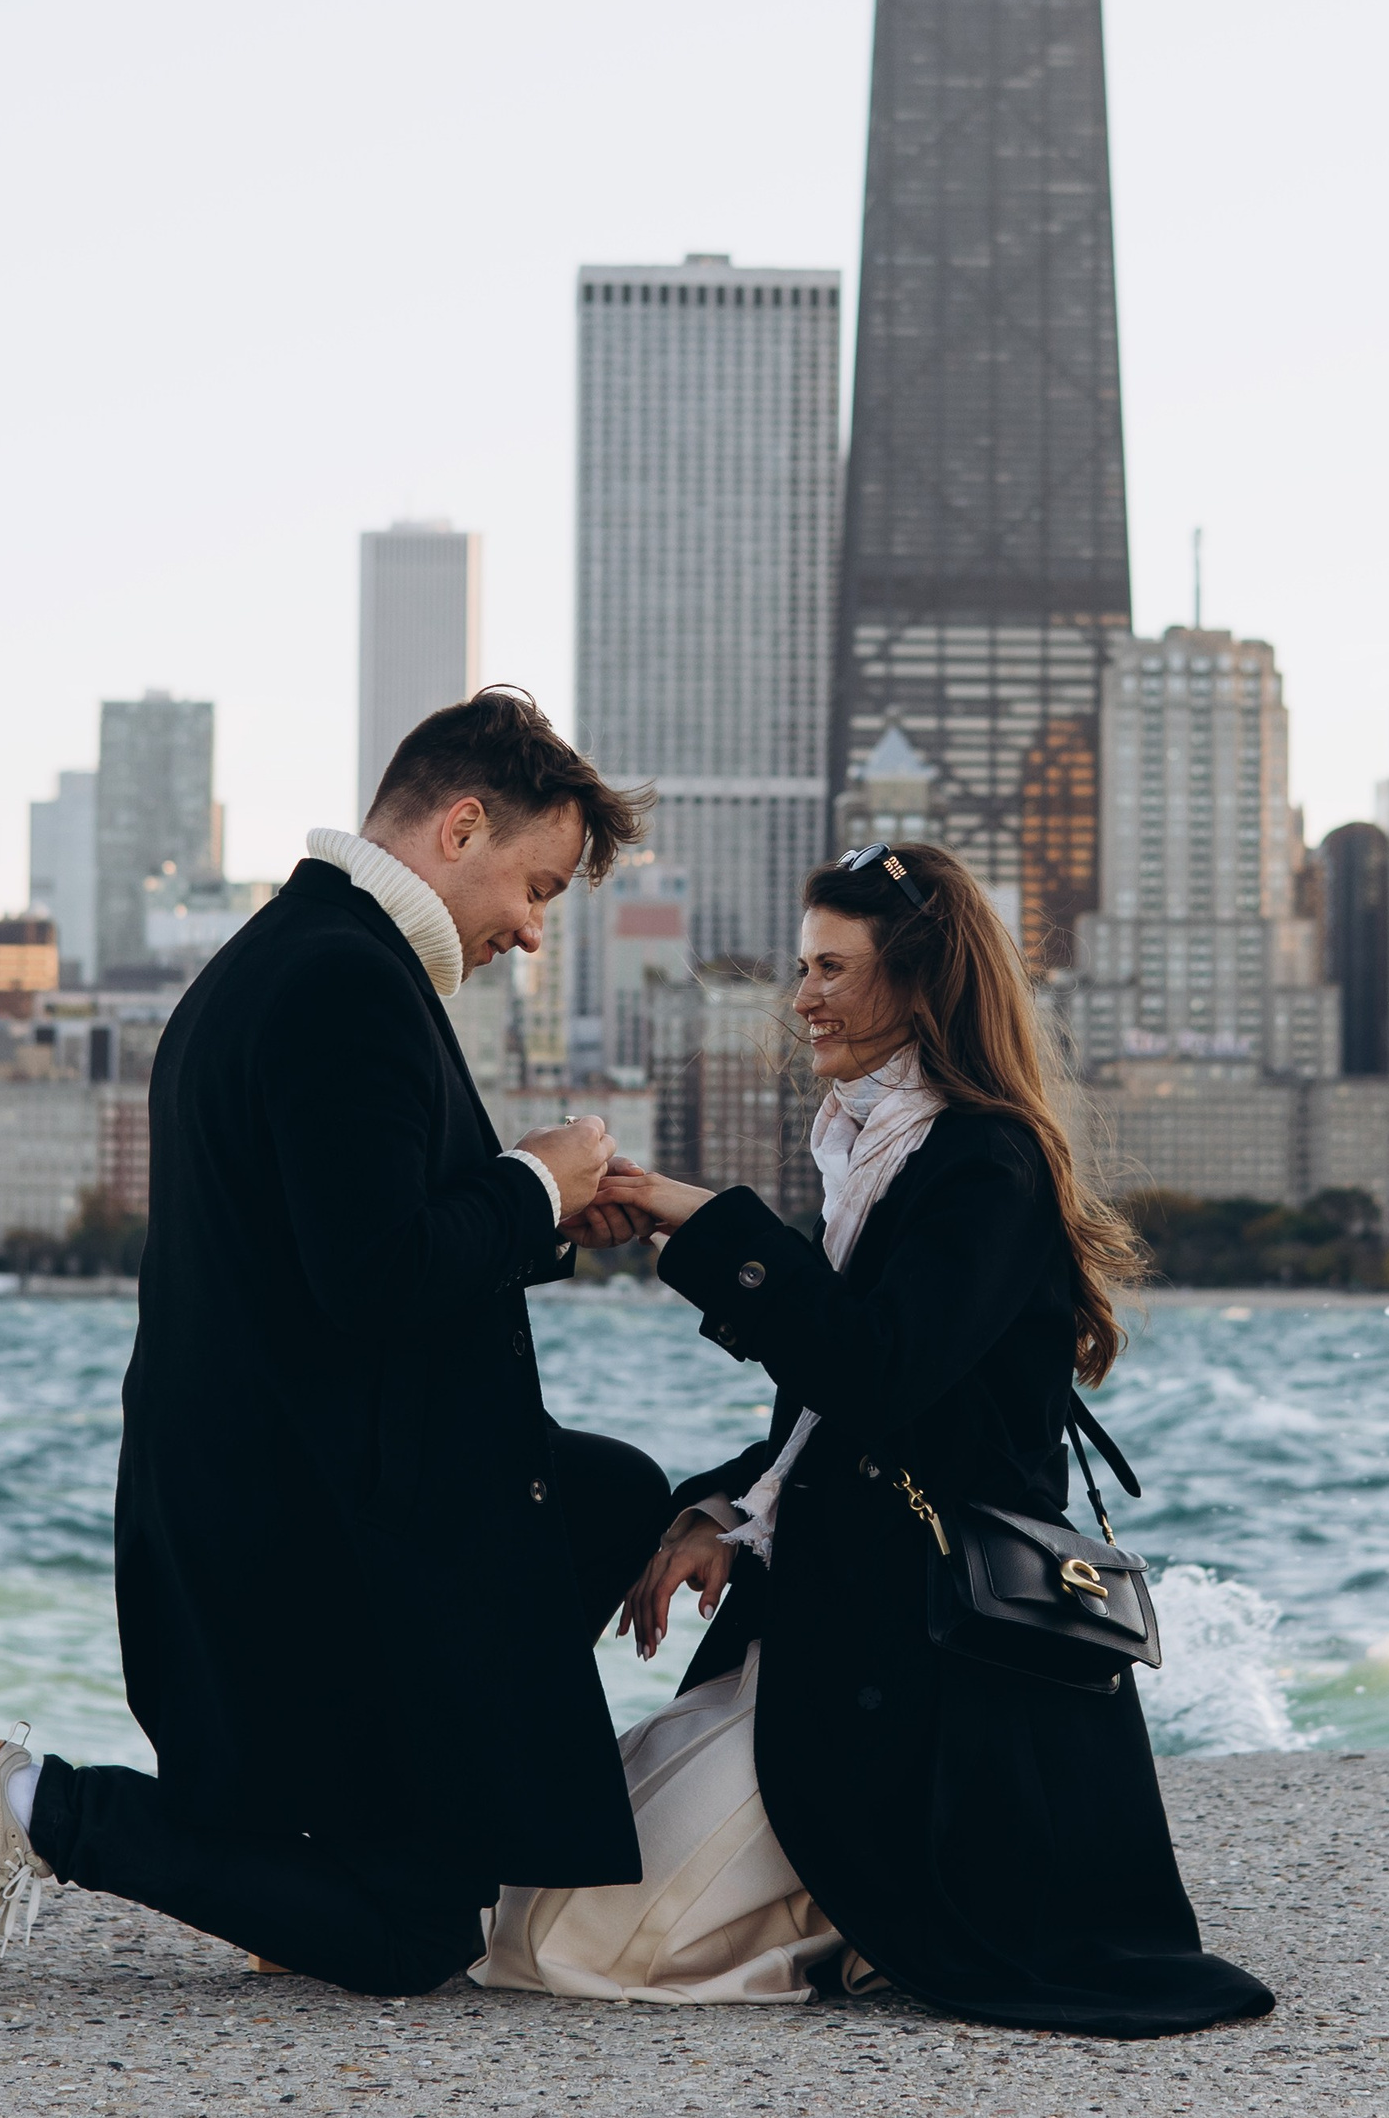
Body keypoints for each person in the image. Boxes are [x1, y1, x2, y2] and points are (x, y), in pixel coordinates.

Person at [0, 690, 673, 2008]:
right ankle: (22, 1802)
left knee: (618, 1496)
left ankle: (308, 1865)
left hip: (268, 1510)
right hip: (301, 1549)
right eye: (534, 887)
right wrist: (532, 1182)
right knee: (410, 1933)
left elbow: (339, 1248)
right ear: (462, 826)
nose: (532, 932)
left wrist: (541, 1219)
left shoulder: (301, 956)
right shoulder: (344, 984)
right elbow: (370, 1278)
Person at [475, 840, 1274, 2036]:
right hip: (834, 1634)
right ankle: (844, 1906)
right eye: (802, 966)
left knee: (568, 1943)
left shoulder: (982, 1164)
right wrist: (719, 1514)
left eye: (833, 969)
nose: (802, 998)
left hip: (931, 1667)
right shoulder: (873, 1154)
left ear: (922, 984)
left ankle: (863, 1913)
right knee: (530, 1906)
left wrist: (698, 1222)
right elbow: (829, 1412)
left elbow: (878, 1369)